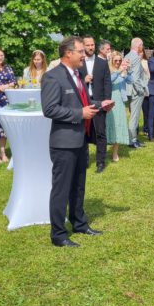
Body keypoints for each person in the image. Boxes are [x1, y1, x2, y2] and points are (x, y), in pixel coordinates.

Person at [41, 36, 102, 247]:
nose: (84, 56)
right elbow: (49, 109)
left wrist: (100, 105)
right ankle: (58, 234)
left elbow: (83, 102)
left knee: (78, 186)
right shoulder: (52, 77)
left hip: (80, 139)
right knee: (62, 189)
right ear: (68, 53)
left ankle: (79, 223)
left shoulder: (78, 74)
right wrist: (79, 113)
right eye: (80, 52)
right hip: (63, 143)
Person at [80, 36, 112, 173]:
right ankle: (84, 160)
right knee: (82, 133)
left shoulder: (102, 63)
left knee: (100, 133)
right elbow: (72, 81)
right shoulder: (79, 63)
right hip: (83, 101)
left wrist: (107, 101)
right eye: (88, 45)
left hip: (99, 101)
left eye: (92, 45)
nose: (91, 47)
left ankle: (100, 162)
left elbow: (107, 83)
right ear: (83, 46)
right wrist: (83, 79)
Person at [106, 51, 131, 161]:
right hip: (110, 99)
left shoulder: (122, 70)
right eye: (115, 60)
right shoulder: (109, 70)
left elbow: (131, 81)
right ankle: (106, 146)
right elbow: (109, 81)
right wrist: (119, 72)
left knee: (119, 123)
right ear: (111, 60)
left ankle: (115, 152)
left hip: (120, 100)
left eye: (119, 60)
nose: (118, 62)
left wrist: (127, 71)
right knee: (110, 123)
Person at [124, 38, 148, 149]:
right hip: (135, 91)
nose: (142, 47)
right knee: (134, 116)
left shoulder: (127, 56)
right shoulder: (136, 58)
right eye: (142, 45)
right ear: (139, 46)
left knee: (132, 116)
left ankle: (132, 138)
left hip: (128, 90)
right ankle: (132, 140)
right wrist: (141, 90)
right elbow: (136, 78)